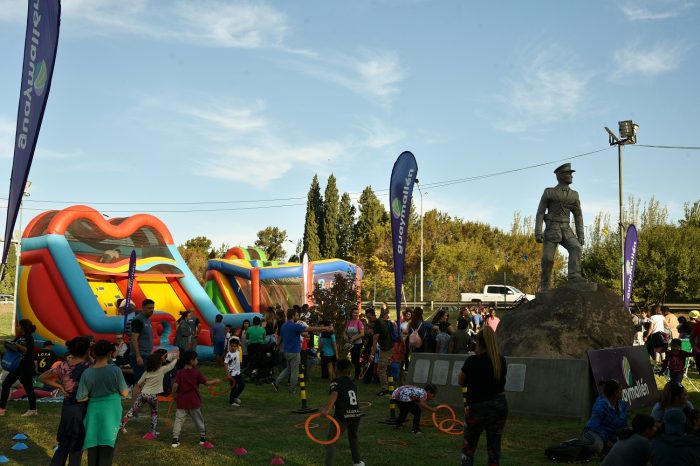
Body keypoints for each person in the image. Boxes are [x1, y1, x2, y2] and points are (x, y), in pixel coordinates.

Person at [459, 326, 508, 466]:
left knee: (469, 447)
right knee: (494, 447)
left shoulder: (472, 361)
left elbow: (461, 380)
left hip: (477, 406)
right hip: (499, 405)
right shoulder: (501, 360)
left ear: (478, 342)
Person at [40, 336, 92, 466]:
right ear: (87, 350)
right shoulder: (90, 366)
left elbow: (42, 377)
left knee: (64, 441)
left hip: (67, 405)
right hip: (82, 406)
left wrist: (59, 386)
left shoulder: (63, 366)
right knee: (77, 442)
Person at [77, 339, 129, 466]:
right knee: (107, 447)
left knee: (93, 447)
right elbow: (125, 393)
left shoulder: (87, 372)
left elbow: (80, 397)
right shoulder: (115, 370)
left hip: (93, 412)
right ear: (110, 353)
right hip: (111, 411)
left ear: (94, 353)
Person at [534, 162, 585, 290]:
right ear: (561, 176)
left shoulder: (574, 195)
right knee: (548, 259)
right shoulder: (549, 192)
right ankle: (545, 285)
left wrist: (581, 235)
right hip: (552, 228)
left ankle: (574, 277)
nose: (572, 176)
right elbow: (540, 212)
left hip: (566, 229)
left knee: (576, 248)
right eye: (569, 174)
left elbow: (578, 216)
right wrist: (538, 232)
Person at [121, 350, 178, 439]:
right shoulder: (162, 370)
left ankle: (121, 426)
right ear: (159, 363)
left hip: (143, 395)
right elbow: (171, 365)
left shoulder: (146, 373)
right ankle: (152, 432)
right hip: (153, 397)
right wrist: (176, 359)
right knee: (154, 413)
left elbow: (139, 384)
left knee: (132, 411)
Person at [171, 350, 220, 449]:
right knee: (198, 420)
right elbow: (206, 383)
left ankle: (175, 440)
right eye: (196, 359)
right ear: (191, 361)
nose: (197, 361)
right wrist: (215, 381)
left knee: (178, 420)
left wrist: (173, 395)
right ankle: (202, 438)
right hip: (194, 402)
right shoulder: (196, 373)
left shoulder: (180, 373)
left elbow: (175, 386)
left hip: (182, 401)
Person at [275, 309, 329, 394]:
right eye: (296, 315)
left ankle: (276, 383)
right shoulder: (294, 326)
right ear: (292, 316)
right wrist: (323, 328)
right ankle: (292, 390)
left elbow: (281, 337)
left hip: (286, 351)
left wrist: (277, 345)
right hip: (294, 351)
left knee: (288, 369)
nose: (298, 317)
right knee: (295, 372)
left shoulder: (284, 326)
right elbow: (309, 328)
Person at [322, 359, 363, 466]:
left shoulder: (335, 382)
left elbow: (334, 394)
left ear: (336, 369)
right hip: (355, 414)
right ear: (349, 371)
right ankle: (357, 462)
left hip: (342, 416)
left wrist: (327, 410)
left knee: (331, 441)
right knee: (353, 438)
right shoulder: (353, 383)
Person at [0, 318, 38, 416]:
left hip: (26, 366)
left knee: (28, 387)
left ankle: (33, 410)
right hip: (16, 366)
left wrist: (16, 345)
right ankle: (2, 408)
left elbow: (28, 351)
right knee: (5, 384)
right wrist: (8, 345)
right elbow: (13, 348)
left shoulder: (29, 338)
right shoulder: (19, 337)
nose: (17, 327)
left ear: (23, 328)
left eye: (19, 326)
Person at [581, 379, 628, 456]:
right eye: (621, 390)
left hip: (612, 434)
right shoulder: (600, 406)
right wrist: (606, 440)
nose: (622, 392)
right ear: (615, 393)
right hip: (595, 432)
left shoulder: (622, 405)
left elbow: (623, 424)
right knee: (599, 446)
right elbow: (595, 426)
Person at [130, 298, 155, 399]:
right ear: (143, 308)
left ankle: (139, 405)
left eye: (153, 308)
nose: (152, 310)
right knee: (139, 382)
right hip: (140, 355)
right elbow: (134, 339)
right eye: (149, 308)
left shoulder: (147, 320)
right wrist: (138, 356)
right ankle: (134, 409)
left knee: (144, 381)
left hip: (146, 354)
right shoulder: (138, 320)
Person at [367, 308, 394, 396]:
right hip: (390, 347)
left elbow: (375, 341)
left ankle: (385, 389)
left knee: (380, 370)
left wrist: (371, 355)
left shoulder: (377, 324)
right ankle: (390, 388)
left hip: (386, 349)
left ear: (373, 315)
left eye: (369, 317)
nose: (369, 320)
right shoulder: (382, 321)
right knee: (386, 369)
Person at [224, 337, 245, 407]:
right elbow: (225, 363)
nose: (233, 347)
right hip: (232, 374)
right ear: (230, 346)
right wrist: (228, 374)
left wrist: (239, 343)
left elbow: (240, 345)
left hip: (238, 373)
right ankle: (231, 401)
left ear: (237, 346)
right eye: (232, 346)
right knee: (234, 388)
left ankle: (235, 397)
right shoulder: (228, 354)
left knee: (242, 385)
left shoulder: (238, 351)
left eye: (235, 346)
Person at [345, 309, 365, 380]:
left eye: (357, 313)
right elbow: (345, 332)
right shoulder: (349, 322)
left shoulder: (359, 322)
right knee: (353, 360)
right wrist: (346, 338)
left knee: (356, 360)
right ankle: (358, 373)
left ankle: (357, 376)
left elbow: (362, 334)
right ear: (351, 314)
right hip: (350, 343)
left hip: (358, 344)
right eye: (355, 313)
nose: (356, 314)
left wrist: (353, 339)